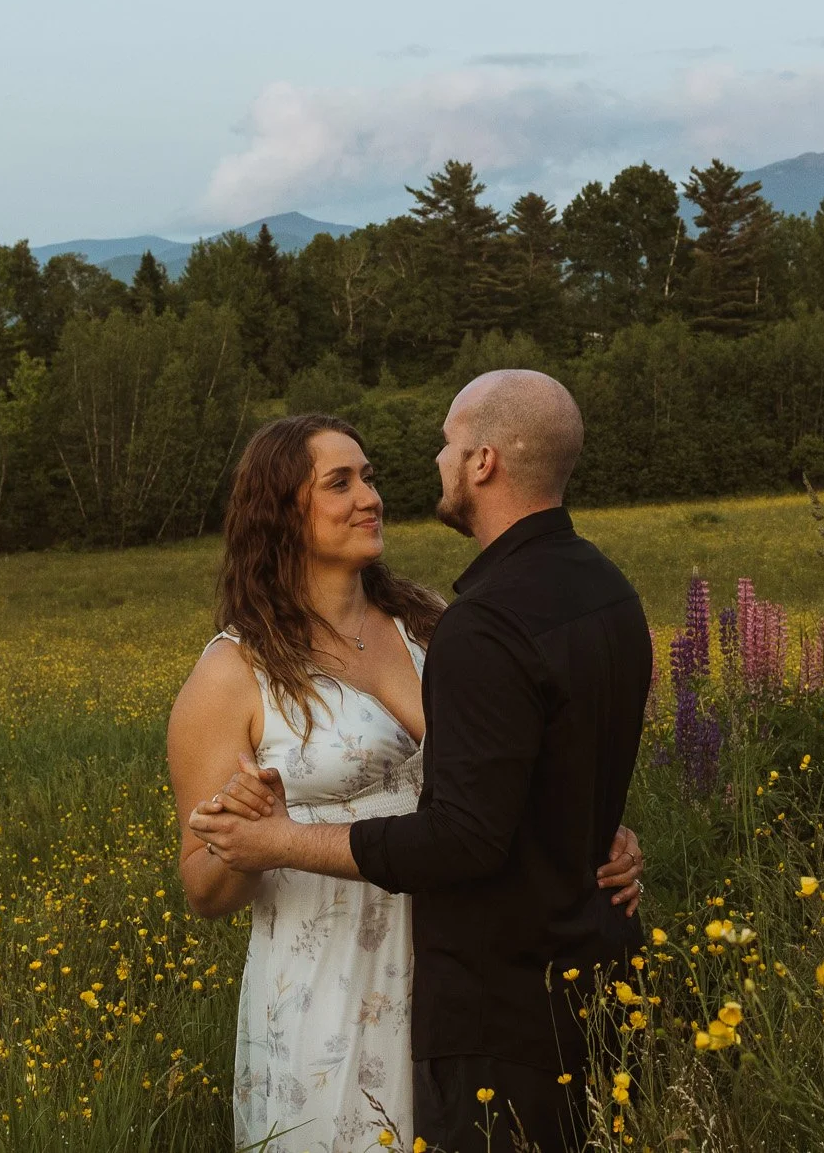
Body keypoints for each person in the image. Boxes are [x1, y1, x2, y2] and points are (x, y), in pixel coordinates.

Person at [191, 372, 653, 1152]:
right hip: (328, 984)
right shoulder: (232, 673)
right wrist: (247, 836)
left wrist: (597, 831)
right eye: (339, 482)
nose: (370, 495)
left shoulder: (434, 623)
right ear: (280, 511)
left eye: (368, 475)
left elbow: (510, 769)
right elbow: (205, 887)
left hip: (457, 967)